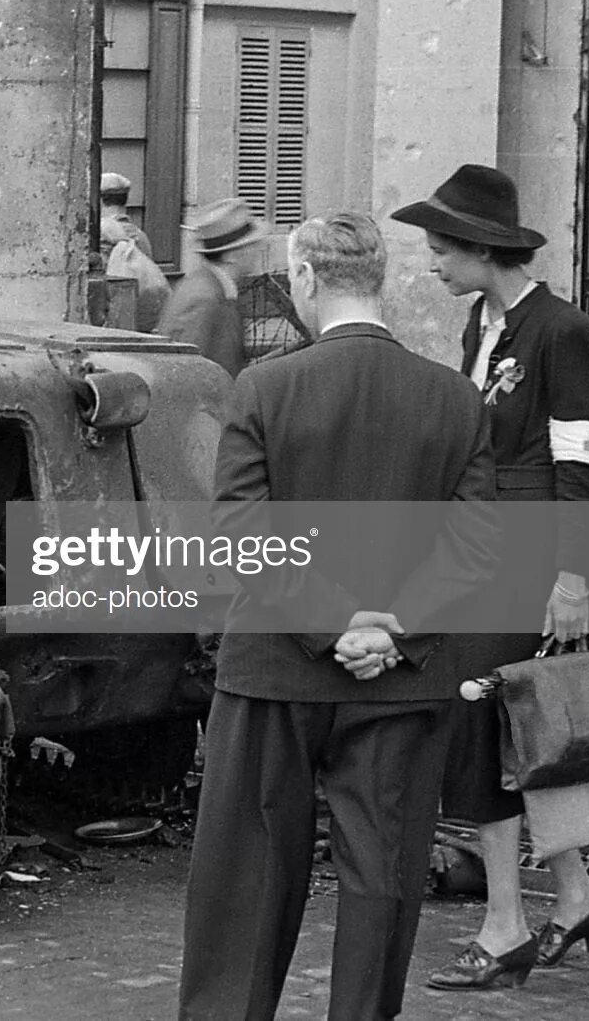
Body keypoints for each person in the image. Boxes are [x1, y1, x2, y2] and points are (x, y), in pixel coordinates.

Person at [179, 212, 495, 1021]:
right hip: (402, 674)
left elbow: (241, 537)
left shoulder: (266, 388)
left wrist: (333, 625)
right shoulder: (455, 398)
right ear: (379, 281)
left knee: (247, 876)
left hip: (276, 666)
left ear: (307, 280)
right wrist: (390, 628)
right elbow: (476, 548)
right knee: (381, 877)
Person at [392, 164, 589, 988]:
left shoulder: (561, 331)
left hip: (535, 560)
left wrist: (571, 579)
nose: (431, 265)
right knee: (507, 734)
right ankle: (573, 898)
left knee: (495, 729)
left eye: (440, 249)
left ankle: (504, 925)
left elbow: (578, 466)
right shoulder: (481, 324)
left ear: (484, 250)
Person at [159, 197, 266, 376]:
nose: (259, 250)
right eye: (251, 245)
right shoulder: (208, 300)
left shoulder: (204, 285)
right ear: (233, 255)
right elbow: (191, 373)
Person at [99, 171, 170, 331]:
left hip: (109, 324)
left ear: (99, 200)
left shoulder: (99, 235)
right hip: (139, 322)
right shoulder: (140, 236)